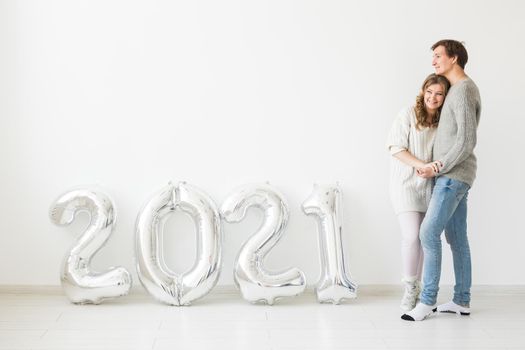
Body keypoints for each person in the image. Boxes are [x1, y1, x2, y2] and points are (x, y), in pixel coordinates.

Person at [402, 39, 481, 321]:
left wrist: (437, 167)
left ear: (454, 58)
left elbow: (466, 140)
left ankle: (426, 301)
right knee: (457, 238)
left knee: (427, 232)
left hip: (451, 176)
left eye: (438, 56)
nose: (434, 61)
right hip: (456, 175)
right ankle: (462, 301)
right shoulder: (458, 90)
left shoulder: (462, 91)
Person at [387, 74, 450, 311]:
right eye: (429, 92)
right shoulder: (408, 114)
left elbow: (443, 155)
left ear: (445, 97)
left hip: (430, 186)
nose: (433, 97)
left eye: (439, 94)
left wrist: (432, 169)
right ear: (423, 91)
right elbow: (395, 148)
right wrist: (420, 166)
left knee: (425, 238)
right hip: (405, 185)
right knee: (411, 236)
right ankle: (410, 287)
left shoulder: (444, 122)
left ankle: (423, 288)